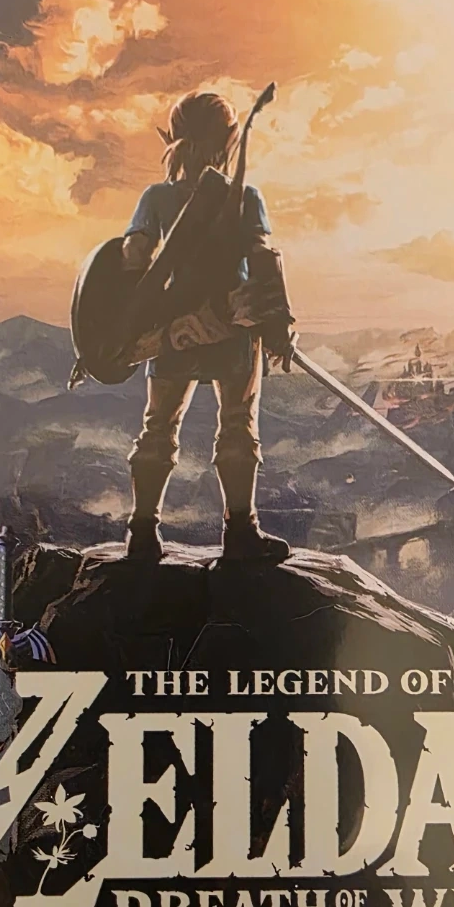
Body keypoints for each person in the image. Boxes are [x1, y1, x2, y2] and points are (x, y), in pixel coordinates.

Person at [120, 90, 296, 563]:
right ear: (228, 141)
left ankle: (143, 533)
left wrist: (129, 321)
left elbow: (133, 259)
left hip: (173, 328)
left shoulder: (157, 197)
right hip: (232, 327)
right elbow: (262, 259)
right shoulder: (245, 196)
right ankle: (241, 532)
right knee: (237, 426)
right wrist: (278, 323)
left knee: (158, 427)